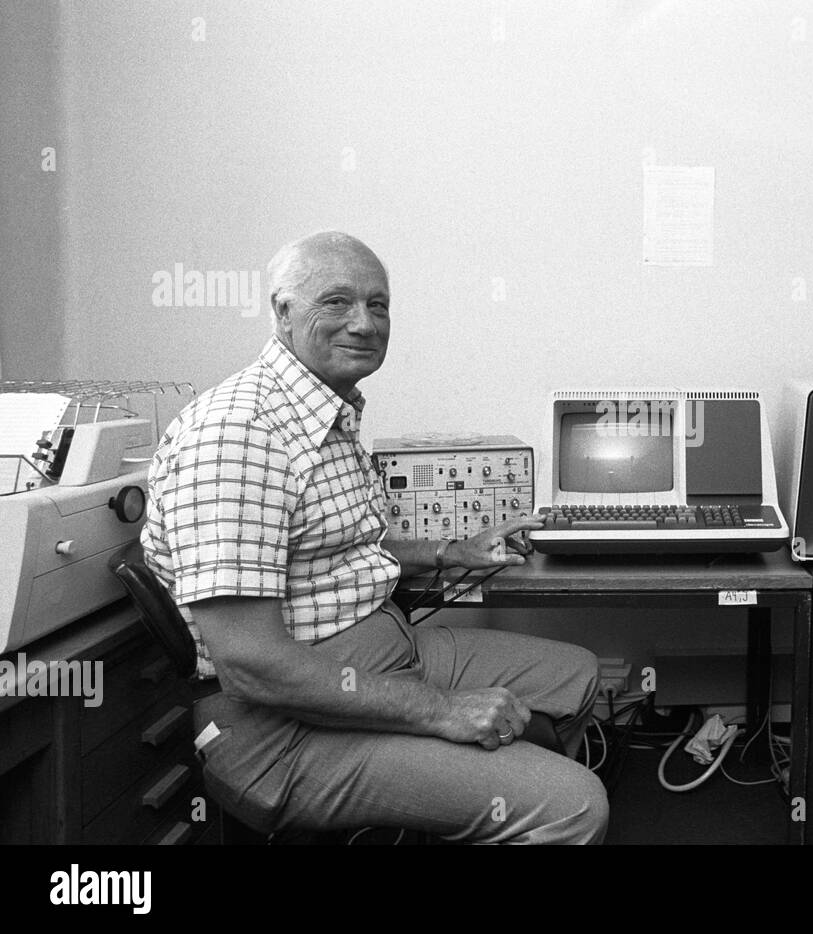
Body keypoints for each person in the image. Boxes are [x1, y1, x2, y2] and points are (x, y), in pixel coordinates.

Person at [141, 231, 608, 844]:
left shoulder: (325, 410)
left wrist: (450, 552)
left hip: (381, 651)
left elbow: (348, 547)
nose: (364, 323)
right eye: (336, 302)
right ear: (283, 311)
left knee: (575, 676)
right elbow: (253, 666)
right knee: (576, 807)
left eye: (378, 304)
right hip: (280, 725)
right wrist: (443, 712)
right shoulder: (239, 434)